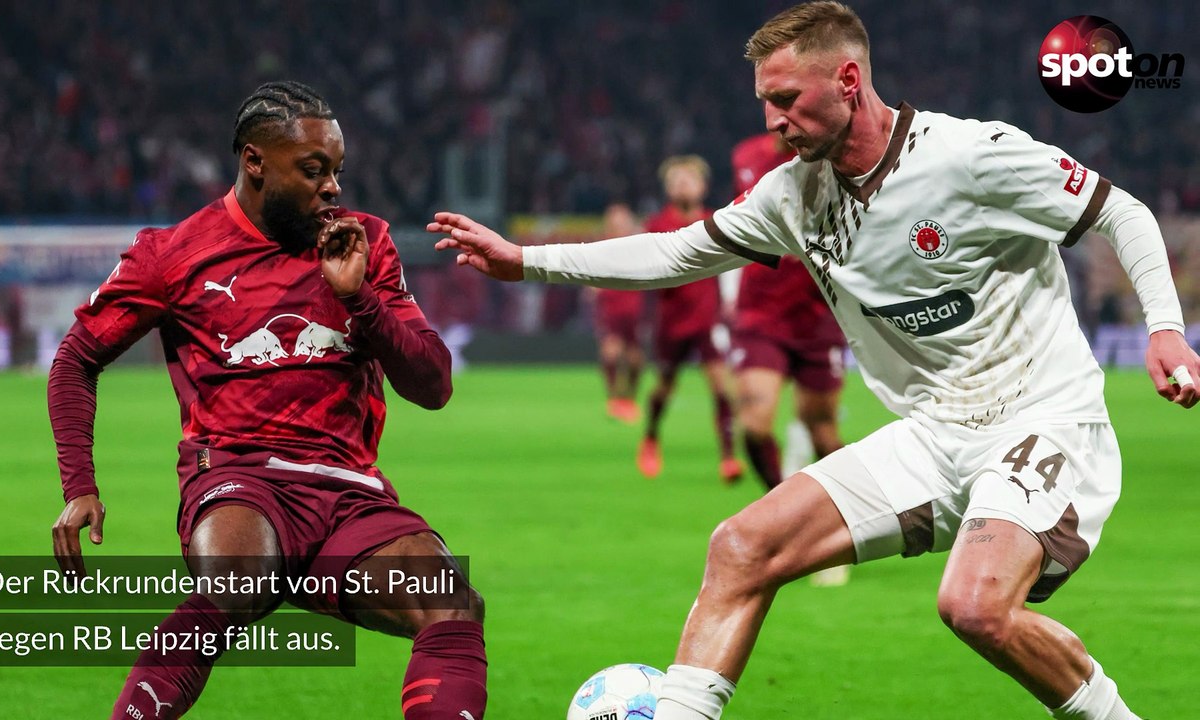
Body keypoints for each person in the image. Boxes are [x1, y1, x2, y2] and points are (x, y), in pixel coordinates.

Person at [427, 3, 1200, 718]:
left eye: (788, 99)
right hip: (935, 435)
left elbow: (1119, 211)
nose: (773, 121)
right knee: (740, 548)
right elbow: (676, 252)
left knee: (973, 607)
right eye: (765, 102)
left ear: (848, 80)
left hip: (1044, 421)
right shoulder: (790, 196)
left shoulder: (970, 157)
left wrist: (1164, 328)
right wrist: (526, 260)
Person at [48, 81, 486, 720]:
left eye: (336, 171)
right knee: (233, 580)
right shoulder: (173, 254)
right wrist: (79, 486)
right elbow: (75, 360)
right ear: (255, 161)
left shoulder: (363, 242)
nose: (331, 187)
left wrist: (359, 298)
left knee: (453, 605)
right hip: (240, 478)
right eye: (313, 170)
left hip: (348, 494)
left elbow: (434, 386)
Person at [730, 132, 852, 587]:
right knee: (755, 423)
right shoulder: (747, 155)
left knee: (823, 431)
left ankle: (843, 526)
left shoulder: (836, 157)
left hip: (818, 314)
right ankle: (787, 517)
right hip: (761, 313)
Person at [637, 155, 743, 482]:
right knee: (664, 388)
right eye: (677, 180)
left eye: (689, 179)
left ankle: (728, 456)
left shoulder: (715, 221)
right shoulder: (656, 224)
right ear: (668, 188)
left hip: (707, 321)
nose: (683, 185)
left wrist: (731, 301)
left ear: (703, 187)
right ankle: (651, 436)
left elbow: (732, 265)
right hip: (671, 322)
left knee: (721, 388)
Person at [592, 203, 647, 423]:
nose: (618, 226)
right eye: (615, 222)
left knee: (635, 358)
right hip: (610, 307)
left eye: (622, 222)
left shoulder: (639, 247)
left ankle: (629, 398)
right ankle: (614, 399)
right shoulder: (600, 246)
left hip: (634, 307)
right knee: (611, 352)